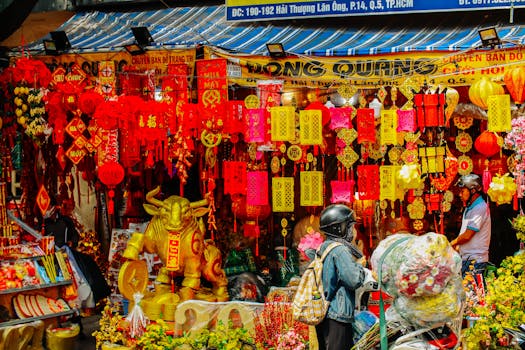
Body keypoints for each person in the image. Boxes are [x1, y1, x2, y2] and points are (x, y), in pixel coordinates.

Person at [313, 204, 368, 350]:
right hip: (337, 313)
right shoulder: (340, 250)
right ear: (340, 228)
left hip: (323, 313)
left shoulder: (325, 246)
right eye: (350, 226)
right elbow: (354, 279)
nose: (353, 231)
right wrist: (360, 267)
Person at [450, 174, 491, 277]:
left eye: (462, 191)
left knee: (473, 292)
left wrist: (452, 243)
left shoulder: (479, 207)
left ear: (473, 191)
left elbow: (468, 235)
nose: (460, 194)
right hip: (467, 258)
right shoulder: (470, 207)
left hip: (476, 260)